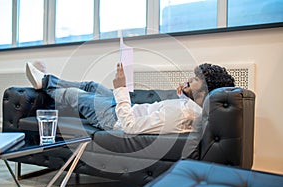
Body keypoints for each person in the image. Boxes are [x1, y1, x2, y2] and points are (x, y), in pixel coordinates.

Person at [26, 62, 235, 134]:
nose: (190, 79)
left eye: (196, 79)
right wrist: (186, 93)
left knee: (76, 96)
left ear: (206, 91)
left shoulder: (182, 113)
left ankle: (45, 84)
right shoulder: (192, 108)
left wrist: (121, 89)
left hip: (114, 120)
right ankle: (46, 80)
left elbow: (130, 127)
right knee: (92, 85)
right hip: (128, 108)